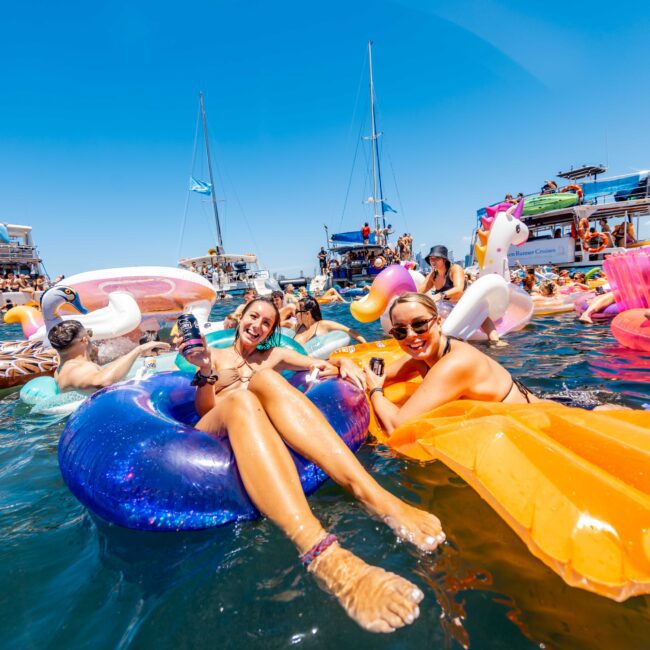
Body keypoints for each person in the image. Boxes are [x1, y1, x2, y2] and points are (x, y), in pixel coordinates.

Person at [181, 297, 444, 632]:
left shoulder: (273, 357)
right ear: (240, 318)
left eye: (266, 322)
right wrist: (205, 370)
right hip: (216, 428)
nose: (257, 325)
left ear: (272, 331)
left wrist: (342, 365)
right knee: (242, 397)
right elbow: (204, 411)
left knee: (264, 380)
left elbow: (316, 364)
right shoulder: (214, 356)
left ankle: (375, 496)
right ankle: (321, 552)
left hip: (259, 423)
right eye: (253, 317)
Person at [363, 293, 540, 435]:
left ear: (438, 322)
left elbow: (397, 427)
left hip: (534, 421)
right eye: (400, 331)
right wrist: (342, 362)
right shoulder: (422, 359)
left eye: (419, 324)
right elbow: (374, 375)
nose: (410, 335)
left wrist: (375, 392)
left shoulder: (457, 363)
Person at [48, 320, 170, 392]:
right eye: (89, 334)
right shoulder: (77, 370)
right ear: (84, 340)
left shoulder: (62, 368)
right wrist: (139, 350)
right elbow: (104, 381)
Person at [293, 296, 366, 345]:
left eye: (297, 312)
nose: (294, 315)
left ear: (307, 314)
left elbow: (352, 333)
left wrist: (367, 347)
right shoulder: (297, 327)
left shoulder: (323, 325)